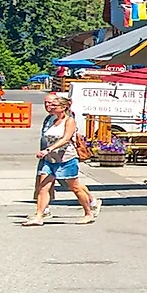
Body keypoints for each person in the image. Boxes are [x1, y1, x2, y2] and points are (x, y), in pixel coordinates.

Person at [31, 92, 96, 226]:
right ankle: (39, 216)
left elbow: (66, 138)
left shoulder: (69, 121)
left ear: (63, 107)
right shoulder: (52, 121)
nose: (51, 107)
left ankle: (88, 212)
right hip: (50, 160)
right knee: (43, 187)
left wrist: (48, 149)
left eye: (54, 105)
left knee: (75, 187)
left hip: (66, 159)